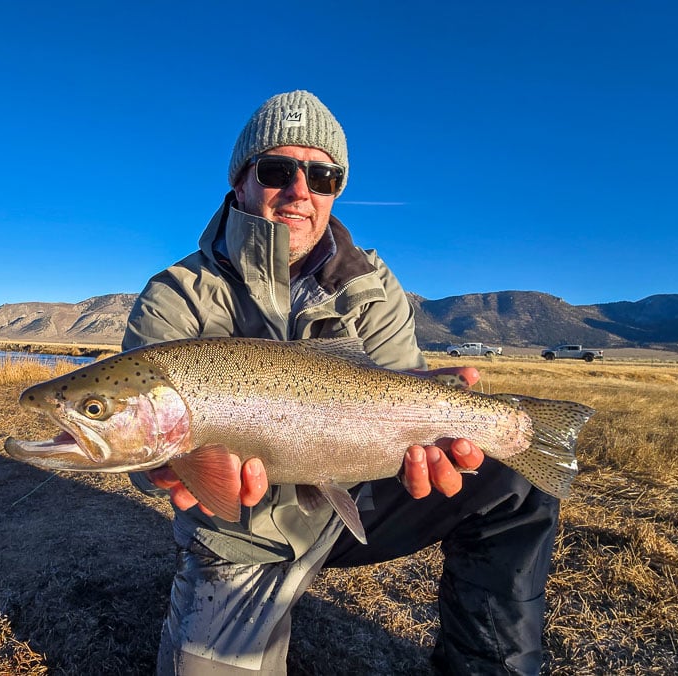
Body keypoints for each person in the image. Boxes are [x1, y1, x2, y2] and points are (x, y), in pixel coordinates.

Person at [122, 90, 560, 675]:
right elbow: (135, 438)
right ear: (240, 182)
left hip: (358, 490)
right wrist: (161, 469)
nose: (300, 191)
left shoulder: (373, 284)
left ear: (335, 189)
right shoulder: (176, 296)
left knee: (512, 474)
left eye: (322, 176)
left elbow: (403, 392)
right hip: (241, 527)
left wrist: (436, 440)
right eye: (277, 170)